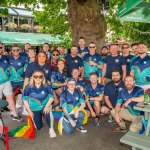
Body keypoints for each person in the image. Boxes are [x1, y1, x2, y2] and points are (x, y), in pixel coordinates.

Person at [22, 70, 56, 138]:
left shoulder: (46, 85)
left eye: (40, 76)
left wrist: (47, 106)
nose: (38, 78)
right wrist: (29, 111)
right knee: (38, 127)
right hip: (34, 108)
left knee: (48, 112)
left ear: (43, 78)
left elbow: (51, 97)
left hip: (44, 107)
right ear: (33, 77)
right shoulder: (28, 86)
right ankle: (40, 116)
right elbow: (24, 100)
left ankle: (51, 129)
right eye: (36, 76)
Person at [0, 43, 22, 121]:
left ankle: (15, 114)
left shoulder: (5, 58)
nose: (0, 49)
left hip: (6, 82)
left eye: (1, 47)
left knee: (10, 98)